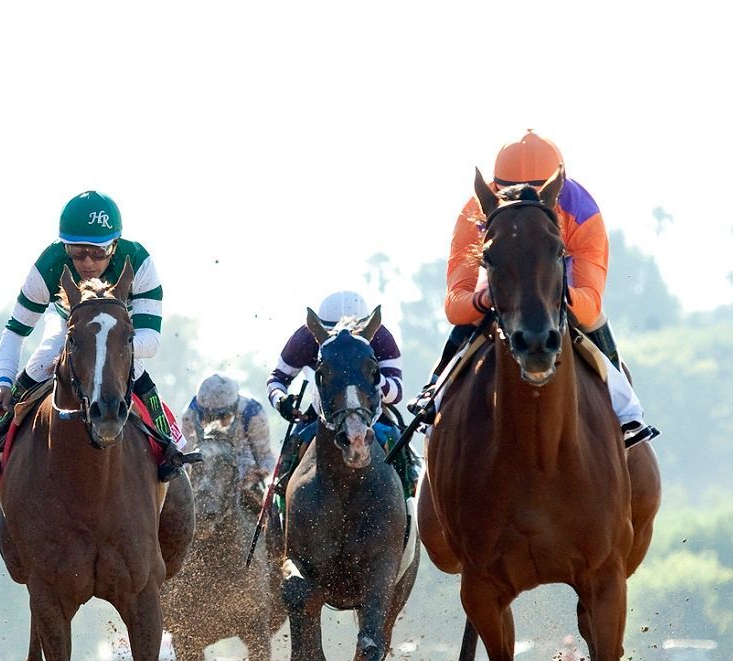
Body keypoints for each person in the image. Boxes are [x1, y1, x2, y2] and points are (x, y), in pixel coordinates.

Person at [410, 129, 657, 447]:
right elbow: (455, 305)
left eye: (535, 195)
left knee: (591, 319)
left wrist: (556, 292)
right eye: (511, 194)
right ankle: (434, 394)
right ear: (495, 189)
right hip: (504, 267)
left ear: (556, 190)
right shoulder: (475, 211)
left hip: (556, 267)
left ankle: (627, 413)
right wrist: (482, 300)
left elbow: (590, 302)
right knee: (474, 317)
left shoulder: (583, 211)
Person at [0, 190, 187, 480]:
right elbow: (15, 331)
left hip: (117, 333)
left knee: (134, 367)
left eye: (98, 252)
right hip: (69, 325)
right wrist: (3, 382)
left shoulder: (139, 262)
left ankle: (168, 444)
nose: (87, 262)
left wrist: (105, 348)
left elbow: (150, 341)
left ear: (114, 245)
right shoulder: (48, 264)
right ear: (65, 247)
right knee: (43, 359)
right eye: (77, 252)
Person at [266, 291, 415, 492]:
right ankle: (277, 501)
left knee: (395, 438)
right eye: (331, 332)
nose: (342, 338)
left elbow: (396, 393)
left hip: (372, 413)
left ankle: (410, 491)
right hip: (322, 412)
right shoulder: (306, 337)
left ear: (366, 328)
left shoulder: (380, 336)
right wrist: (280, 400)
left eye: (352, 331)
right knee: (292, 448)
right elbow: (277, 379)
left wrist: (370, 377)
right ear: (319, 329)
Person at [182, 373, 274, 509]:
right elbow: (185, 456)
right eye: (210, 415)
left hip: (243, 469)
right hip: (202, 471)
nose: (216, 421)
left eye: (221, 415)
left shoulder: (252, 413)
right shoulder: (190, 414)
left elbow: (266, 458)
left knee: (266, 510)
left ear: (233, 408)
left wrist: (254, 476)